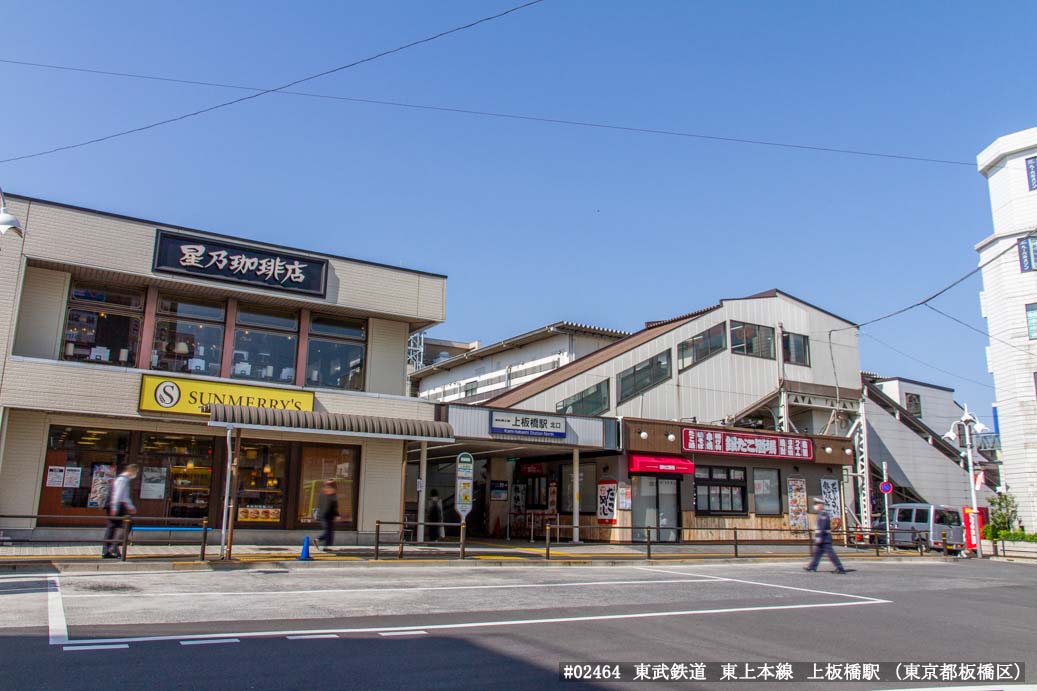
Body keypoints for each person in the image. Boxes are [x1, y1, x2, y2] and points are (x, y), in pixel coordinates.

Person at [102, 464, 139, 559]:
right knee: (121, 525)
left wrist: (130, 506)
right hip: (115, 505)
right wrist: (115, 507)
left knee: (114, 526)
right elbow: (118, 494)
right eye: (136, 472)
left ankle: (110, 548)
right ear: (131, 470)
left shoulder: (124, 479)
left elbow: (124, 496)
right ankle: (112, 547)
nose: (136, 474)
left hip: (117, 505)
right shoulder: (122, 480)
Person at [805, 497, 847, 574]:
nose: (815, 506)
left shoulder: (823, 515)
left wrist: (819, 537)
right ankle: (812, 567)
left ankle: (840, 568)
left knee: (831, 554)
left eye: (817, 504)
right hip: (822, 538)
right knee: (817, 553)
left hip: (825, 538)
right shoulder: (821, 514)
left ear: (821, 505)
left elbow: (822, 527)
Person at [314, 480, 339, 550]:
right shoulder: (326, 495)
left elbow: (334, 506)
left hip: (328, 516)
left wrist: (336, 515)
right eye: (329, 486)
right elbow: (329, 506)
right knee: (328, 531)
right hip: (325, 516)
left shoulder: (332, 495)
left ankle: (326, 545)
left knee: (330, 532)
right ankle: (319, 540)